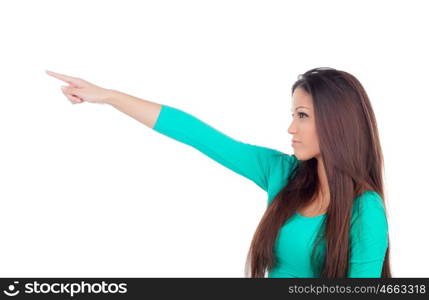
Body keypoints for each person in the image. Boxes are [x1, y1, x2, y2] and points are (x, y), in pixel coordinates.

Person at [46, 67, 391, 278]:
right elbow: (198, 134)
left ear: (336, 123)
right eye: (293, 115)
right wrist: (107, 96)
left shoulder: (366, 209)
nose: (290, 128)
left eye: (302, 116)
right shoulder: (281, 173)